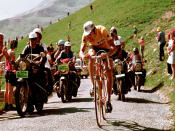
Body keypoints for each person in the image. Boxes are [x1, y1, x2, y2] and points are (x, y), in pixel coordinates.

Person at [79, 21, 116, 113]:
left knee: (108, 70)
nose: (89, 37)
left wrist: (107, 54)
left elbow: (113, 47)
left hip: (106, 48)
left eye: (90, 34)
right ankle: (94, 84)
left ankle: (108, 100)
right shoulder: (85, 36)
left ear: (94, 30)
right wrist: (83, 56)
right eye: (87, 35)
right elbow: (81, 51)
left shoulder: (102, 30)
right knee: (91, 56)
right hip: (94, 48)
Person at [3, 40, 18, 111]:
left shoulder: (8, 51)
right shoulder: (12, 52)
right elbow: (12, 63)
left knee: (6, 89)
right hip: (10, 72)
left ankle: (6, 105)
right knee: (10, 90)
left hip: (6, 71)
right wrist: (14, 69)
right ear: (16, 46)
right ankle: (10, 105)